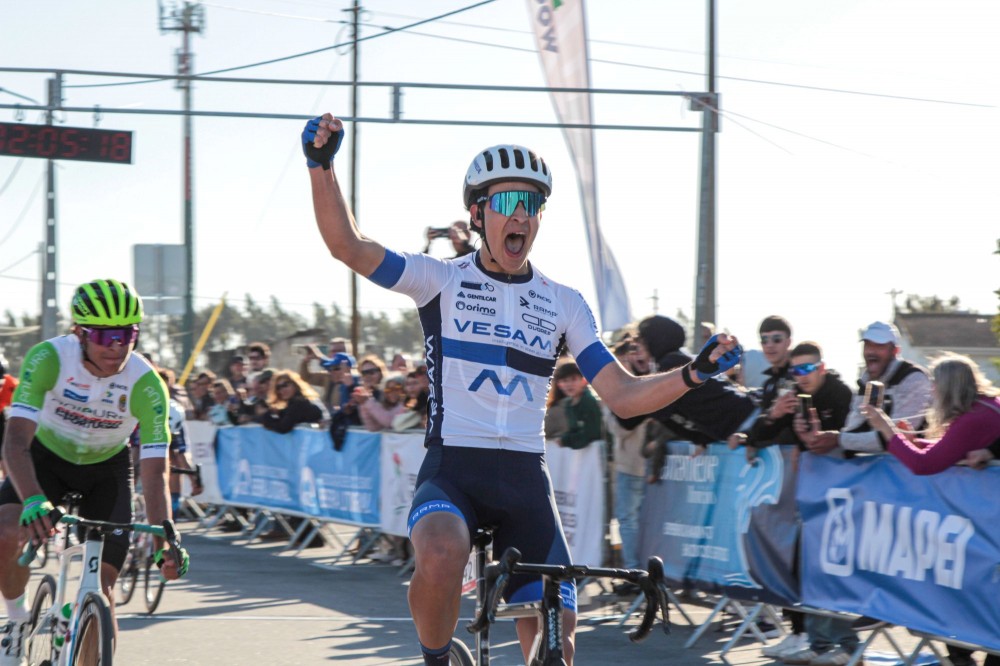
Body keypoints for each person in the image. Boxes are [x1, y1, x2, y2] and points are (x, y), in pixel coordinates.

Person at [302, 113, 742, 666]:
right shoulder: (442, 280)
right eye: (507, 202)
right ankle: (438, 659)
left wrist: (693, 374)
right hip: (454, 467)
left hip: (525, 479)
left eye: (531, 206)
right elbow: (349, 245)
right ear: (478, 213)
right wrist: (322, 166)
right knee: (439, 550)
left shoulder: (564, 302)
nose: (519, 216)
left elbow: (623, 396)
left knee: (559, 645)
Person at [0, 279, 189, 664]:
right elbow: (15, 442)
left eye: (126, 334)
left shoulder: (146, 383)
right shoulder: (48, 358)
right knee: (5, 530)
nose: (116, 346)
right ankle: (17, 621)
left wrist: (163, 541)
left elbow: (154, 472)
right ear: (80, 333)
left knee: (103, 591)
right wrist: (35, 498)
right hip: (45, 458)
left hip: (107, 469)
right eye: (104, 335)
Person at [863, 352, 999, 666]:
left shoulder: (975, 417)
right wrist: (905, 438)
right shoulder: (984, 408)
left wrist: (888, 431)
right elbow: (941, 452)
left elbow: (925, 465)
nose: (932, 393)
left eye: (935, 385)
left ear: (950, 387)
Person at [803, 321, 933, 457]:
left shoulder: (913, 378)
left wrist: (838, 439)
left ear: (895, 351)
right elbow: (853, 429)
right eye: (867, 345)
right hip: (878, 469)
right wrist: (817, 439)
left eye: (879, 346)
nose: (871, 351)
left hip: (912, 471)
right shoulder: (866, 381)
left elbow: (896, 437)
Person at [256, 371, 326, 434]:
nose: (282, 390)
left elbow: (283, 427)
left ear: (295, 385)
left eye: (285, 385)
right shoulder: (294, 404)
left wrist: (266, 416)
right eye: (278, 388)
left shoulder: (299, 403)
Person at [554, 362, 603, 450]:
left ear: (584, 381)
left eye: (573, 379)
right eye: (565, 381)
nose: (569, 384)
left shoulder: (588, 401)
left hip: (597, 452)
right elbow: (574, 429)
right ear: (559, 385)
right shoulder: (568, 404)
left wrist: (566, 441)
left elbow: (592, 433)